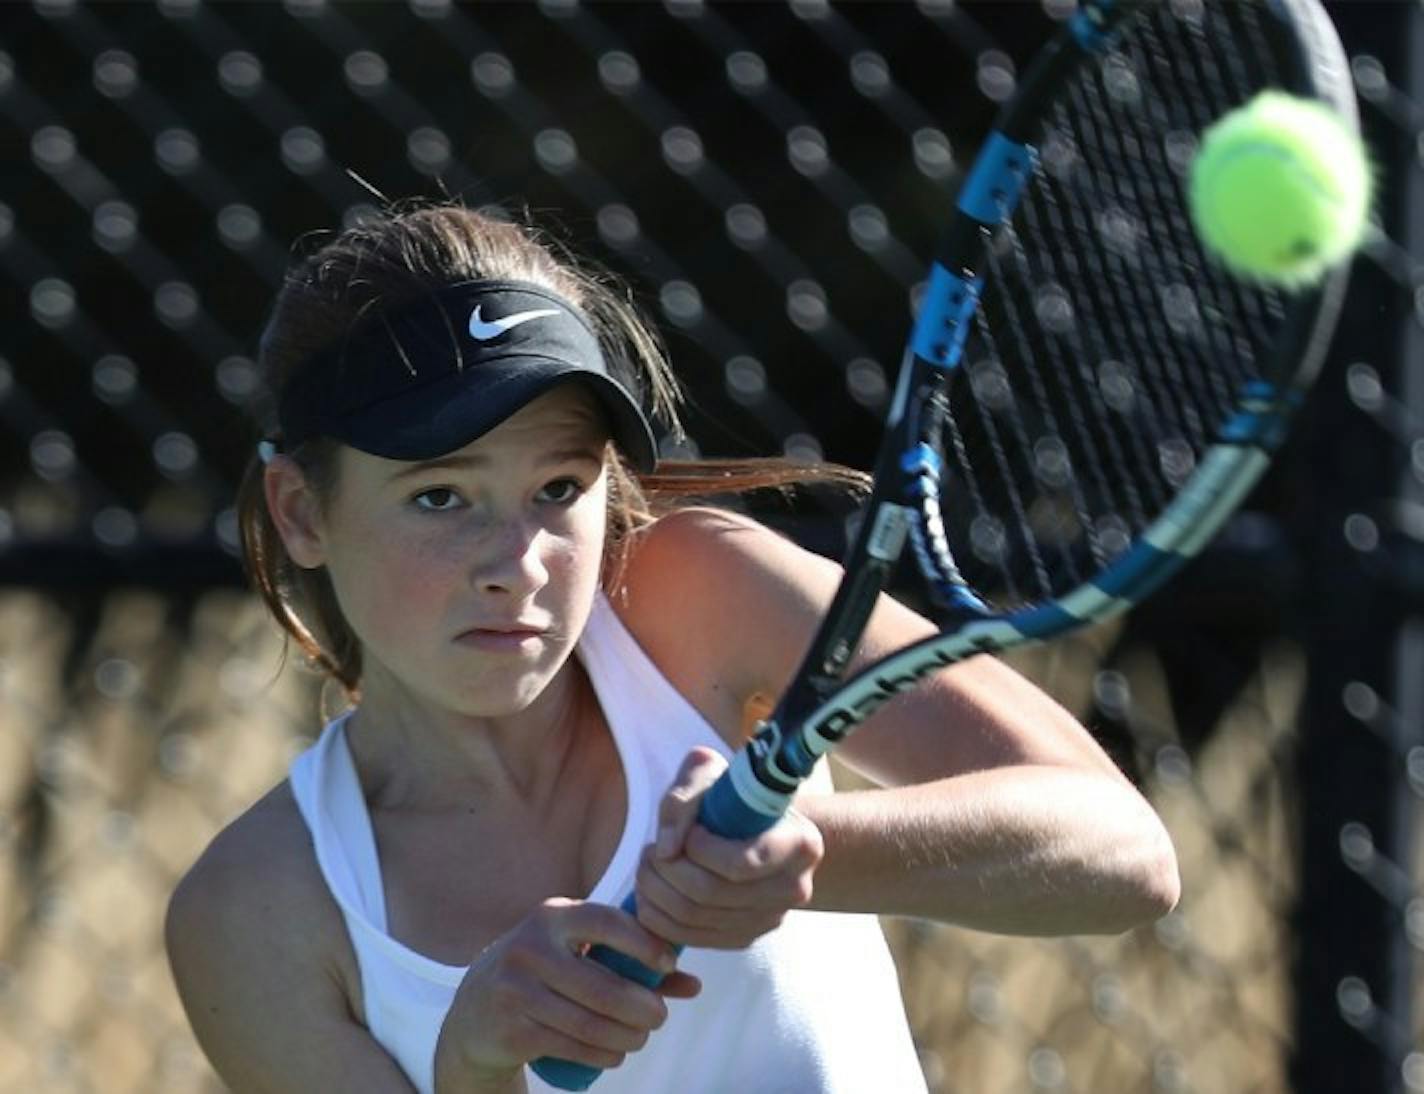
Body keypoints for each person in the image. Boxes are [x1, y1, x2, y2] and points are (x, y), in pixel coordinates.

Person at [164, 202, 1181, 1094]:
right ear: (301, 510)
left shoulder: (694, 589)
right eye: (440, 496)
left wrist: (815, 852)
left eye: (558, 487)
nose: (516, 563)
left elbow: (1123, 850)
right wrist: (472, 1070)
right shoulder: (252, 912)